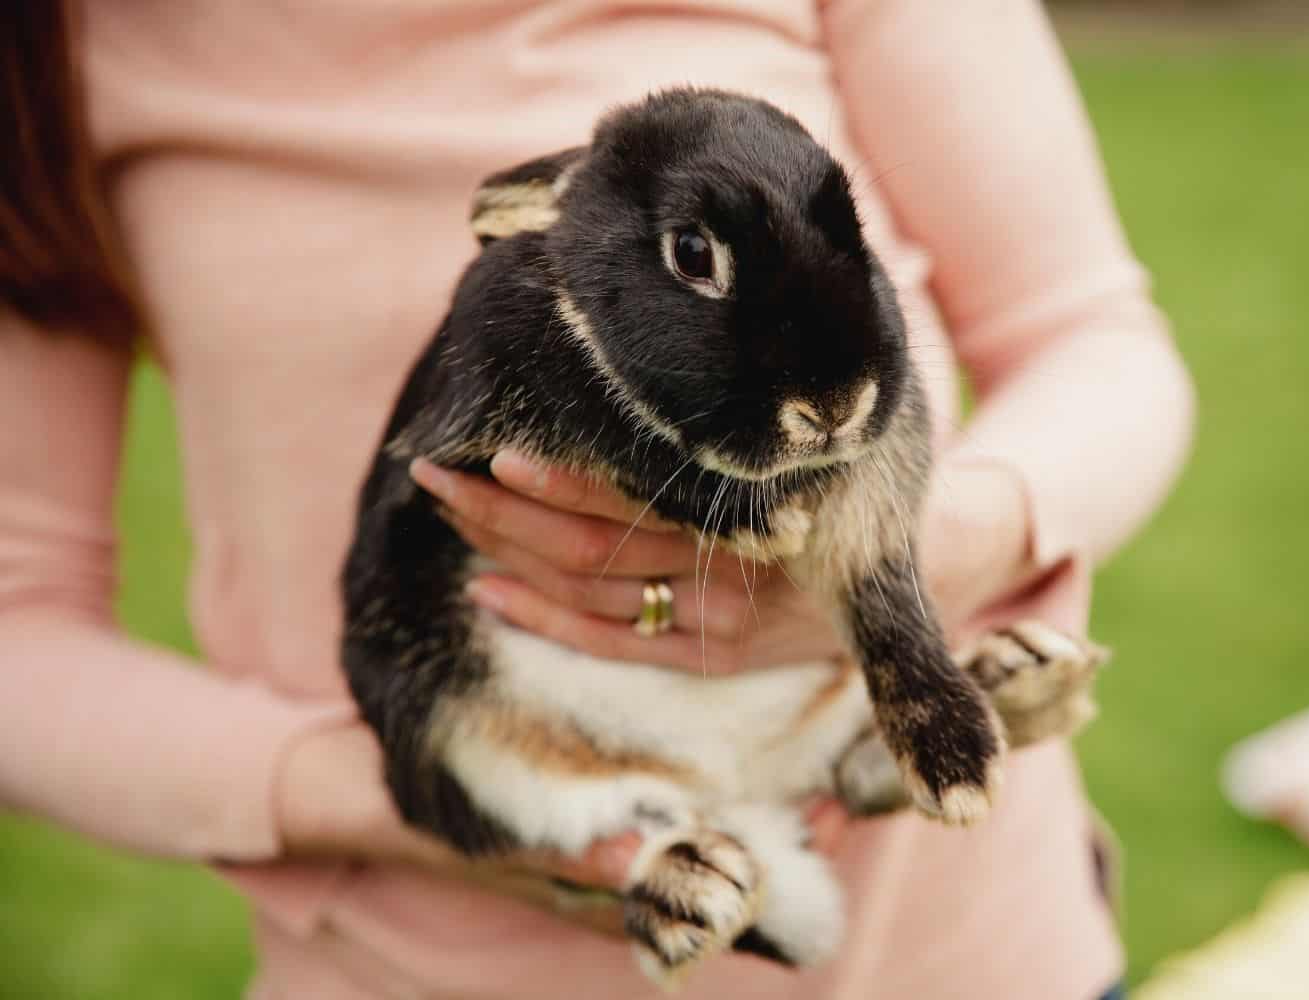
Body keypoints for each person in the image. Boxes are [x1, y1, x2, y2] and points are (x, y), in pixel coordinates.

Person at [0, 2, 1194, 997]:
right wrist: (367, 798)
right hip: (436, 928)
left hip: (955, 954)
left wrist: (928, 562)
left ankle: (865, 749)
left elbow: (1094, 334)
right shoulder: (64, 41)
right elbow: (20, 613)